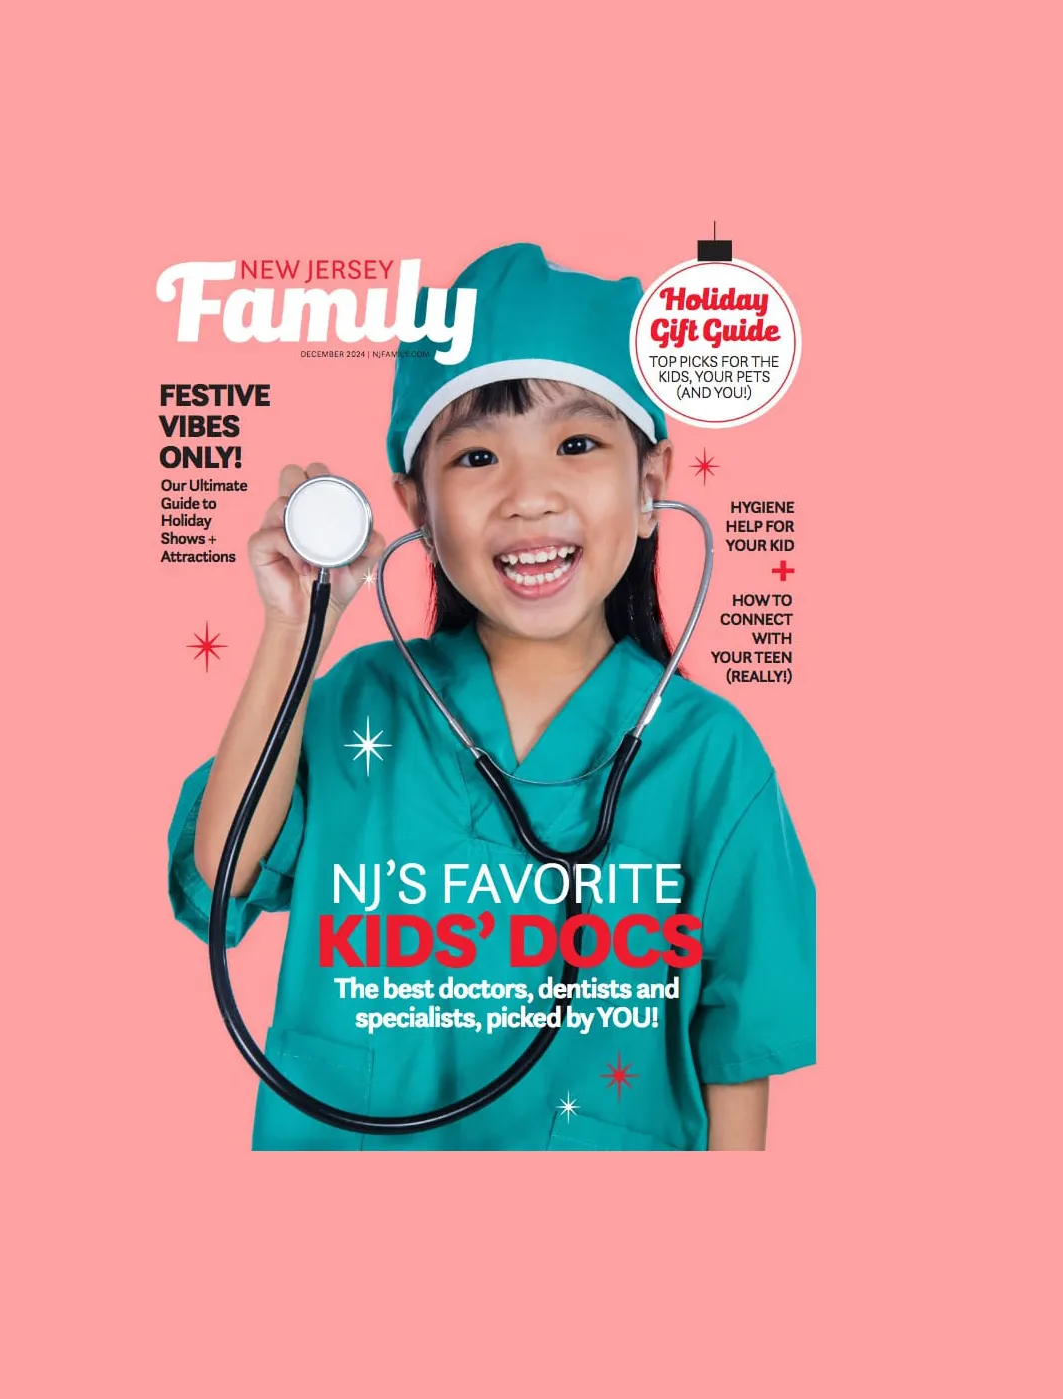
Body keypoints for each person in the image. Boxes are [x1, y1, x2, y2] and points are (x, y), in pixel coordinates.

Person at [167, 242, 815, 1151]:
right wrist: (291, 623)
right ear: (416, 509)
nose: (527, 494)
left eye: (577, 444)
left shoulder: (710, 754)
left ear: (650, 488)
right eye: (475, 456)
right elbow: (223, 871)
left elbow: (737, 1045)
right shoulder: (360, 701)